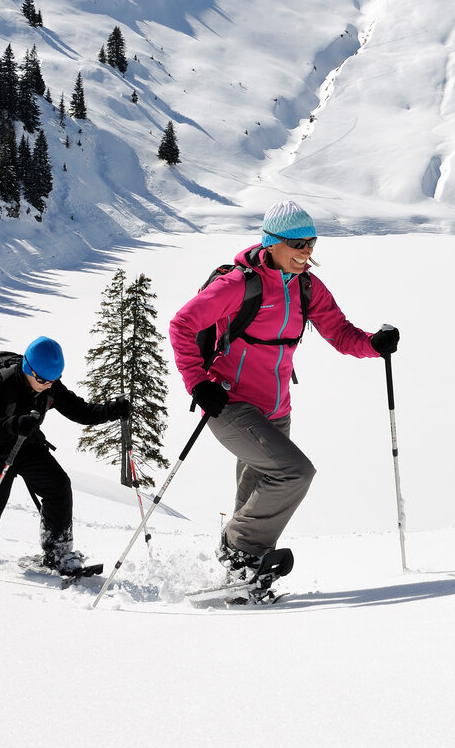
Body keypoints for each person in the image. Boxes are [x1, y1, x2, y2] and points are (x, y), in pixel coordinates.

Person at [169, 199, 398, 600]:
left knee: (254, 499)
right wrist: (196, 381)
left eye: (312, 242)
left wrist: (374, 346)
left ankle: (241, 582)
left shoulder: (306, 285)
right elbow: (182, 324)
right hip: (228, 404)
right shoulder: (239, 284)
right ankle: (238, 552)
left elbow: (339, 331)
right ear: (272, 242)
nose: (307, 252)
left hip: (276, 410)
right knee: (294, 473)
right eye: (298, 243)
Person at [0, 335, 130, 570]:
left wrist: (112, 410)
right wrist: (15, 424)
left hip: (26, 445)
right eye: (43, 380)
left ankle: (58, 554)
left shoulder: (49, 384)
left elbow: (81, 411)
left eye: (54, 379)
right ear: (28, 367)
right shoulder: (1, 383)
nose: (48, 385)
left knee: (58, 486)